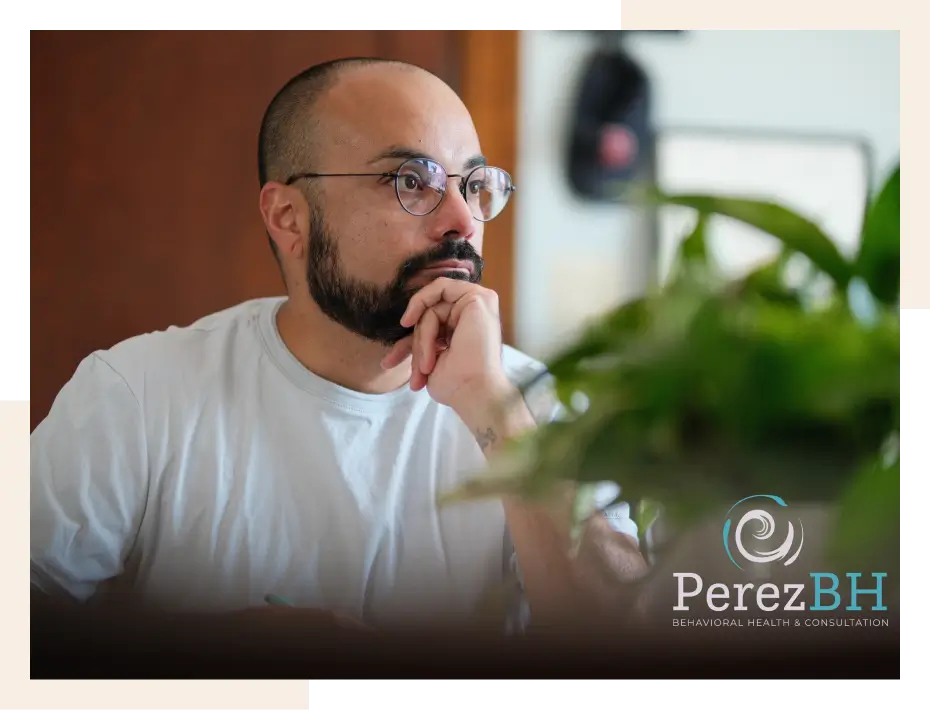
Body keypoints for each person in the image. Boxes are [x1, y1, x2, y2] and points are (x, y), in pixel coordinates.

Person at [30, 57, 646, 644]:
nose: (463, 220)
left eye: (474, 185)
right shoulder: (136, 395)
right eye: (412, 181)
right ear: (290, 217)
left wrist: (498, 413)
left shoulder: (539, 405)